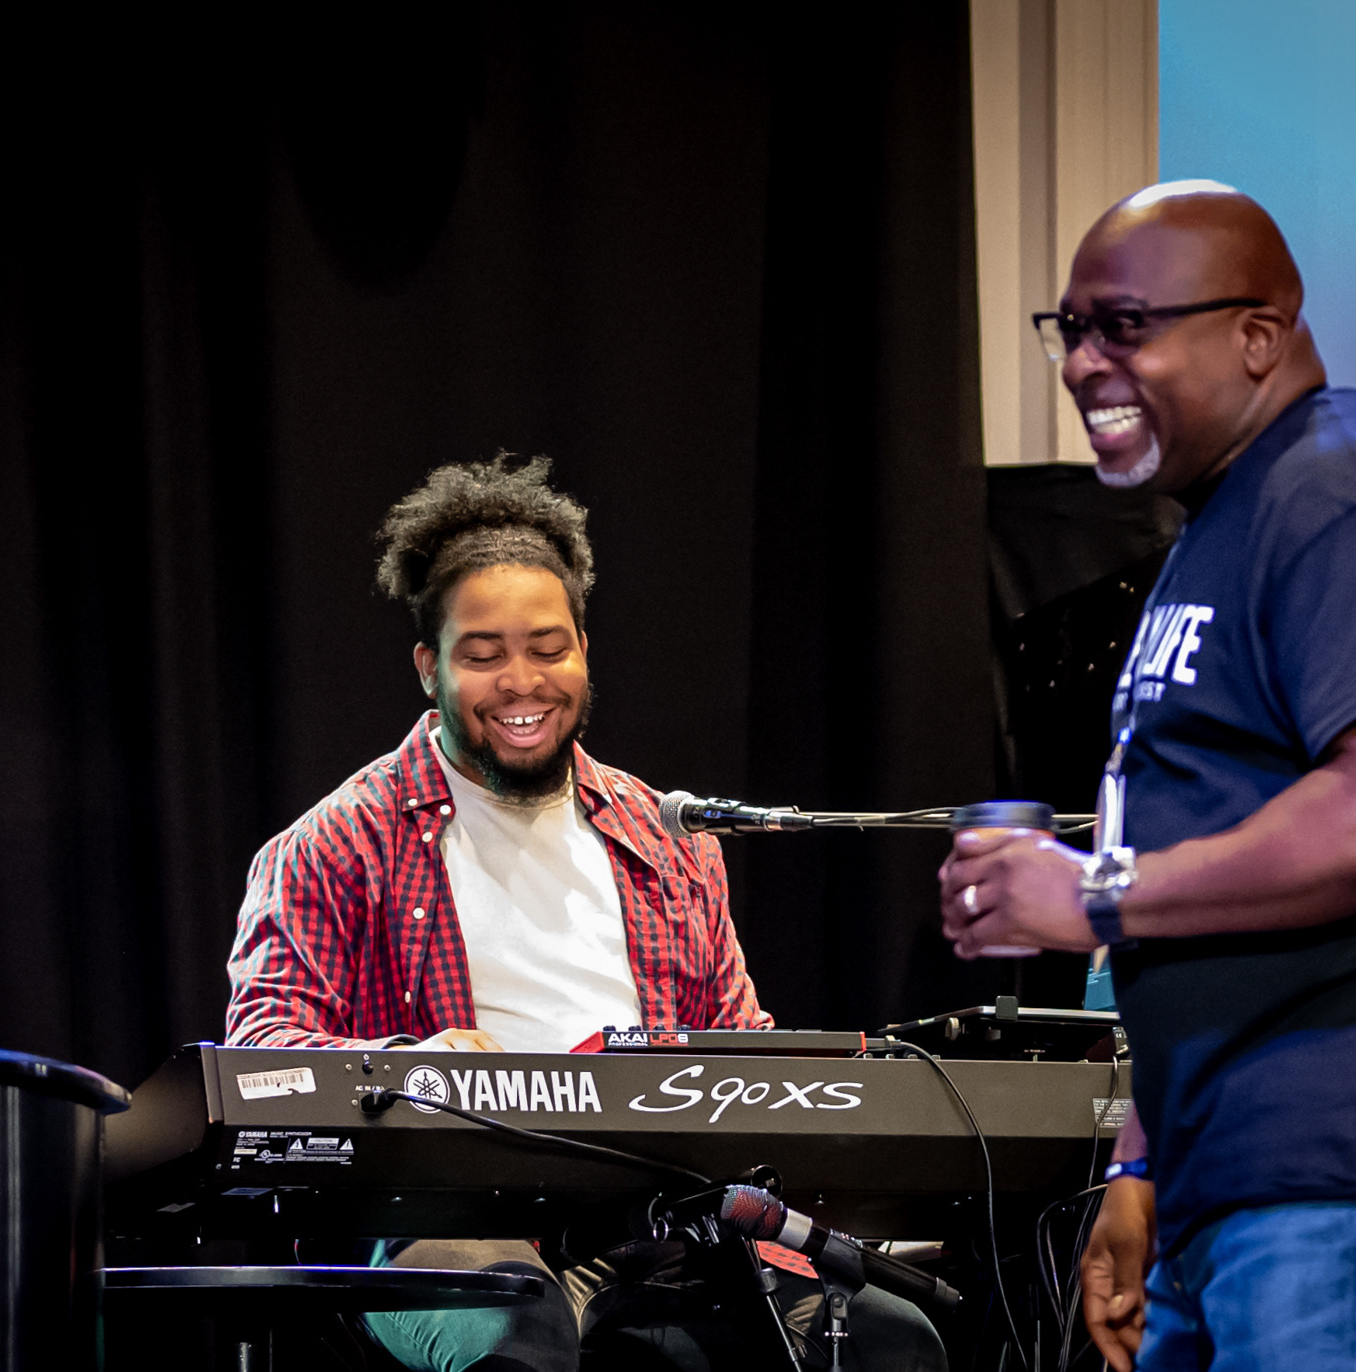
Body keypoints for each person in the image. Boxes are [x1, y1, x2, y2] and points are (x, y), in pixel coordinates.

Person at [938, 181, 1356, 1372]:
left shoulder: (1346, 496)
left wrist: (1093, 890)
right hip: (1241, 1181)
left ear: (1258, 335)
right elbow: (1221, 862)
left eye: (1126, 326)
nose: (1085, 364)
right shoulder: (1225, 520)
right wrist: (1142, 1160)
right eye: (1072, 330)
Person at [228, 456, 946, 1372]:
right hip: (447, 1218)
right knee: (520, 1329)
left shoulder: (668, 837)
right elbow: (262, 1059)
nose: (521, 681)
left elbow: (739, 1049)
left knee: (891, 1339)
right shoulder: (335, 844)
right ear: (429, 668)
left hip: (669, 1223)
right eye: (483, 655)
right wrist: (410, 1068)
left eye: (548, 647)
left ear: (583, 651)